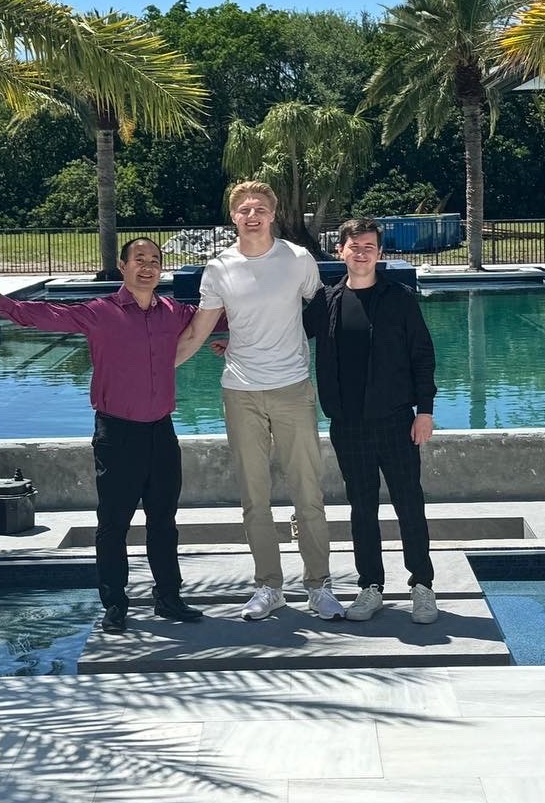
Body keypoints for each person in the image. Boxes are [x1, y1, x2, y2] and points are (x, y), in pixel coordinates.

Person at [0, 238, 205, 634]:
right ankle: (115, 603)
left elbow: (220, 317)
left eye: (155, 261)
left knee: (164, 519)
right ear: (122, 268)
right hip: (117, 433)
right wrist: (4, 305)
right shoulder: (100, 312)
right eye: (139, 260)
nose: (147, 267)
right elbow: (49, 314)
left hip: (162, 431)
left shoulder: (174, 313)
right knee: (113, 522)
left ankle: (169, 597)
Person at [175, 181, 345, 622]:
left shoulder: (298, 259)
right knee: (255, 497)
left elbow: (321, 313)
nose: (252, 215)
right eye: (244, 209)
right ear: (233, 216)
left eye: (260, 209)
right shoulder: (219, 268)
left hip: (293, 388)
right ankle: (269, 586)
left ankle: (319, 584)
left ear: (273, 214)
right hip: (241, 391)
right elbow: (198, 330)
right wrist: (157, 371)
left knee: (308, 492)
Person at [305, 217, 439, 624]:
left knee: (408, 502)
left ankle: (422, 586)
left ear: (379, 253)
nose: (361, 252)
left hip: (397, 420)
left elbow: (422, 355)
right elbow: (279, 333)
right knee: (361, 507)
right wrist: (234, 343)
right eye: (354, 246)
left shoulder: (398, 298)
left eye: (369, 246)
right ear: (341, 251)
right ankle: (371, 586)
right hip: (349, 424)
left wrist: (425, 411)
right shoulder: (326, 301)